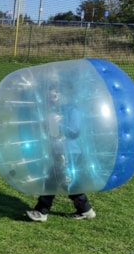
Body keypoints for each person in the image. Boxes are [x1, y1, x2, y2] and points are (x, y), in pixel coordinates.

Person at [26, 83, 96, 222]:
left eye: (55, 93)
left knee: (52, 180)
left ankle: (41, 211)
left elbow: (75, 132)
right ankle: (86, 210)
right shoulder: (52, 109)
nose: (52, 96)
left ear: (63, 94)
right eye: (50, 93)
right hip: (58, 151)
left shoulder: (72, 110)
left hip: (70, 152)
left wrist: (59, 124)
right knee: (67, 183)